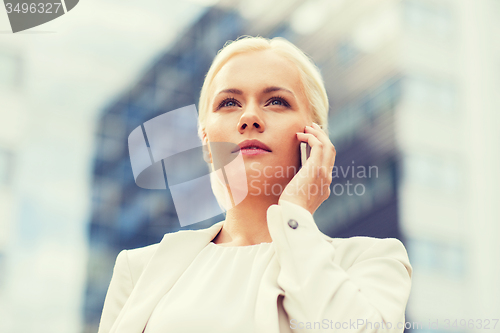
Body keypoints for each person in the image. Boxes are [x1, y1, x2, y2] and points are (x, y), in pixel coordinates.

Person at [97, 36, 412, 333]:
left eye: (276, 101)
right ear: (206, 142)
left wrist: (295, 214)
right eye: (229, 103)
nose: (249, 118)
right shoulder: (139, 269)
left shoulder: (370, 261)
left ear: (314, 136)